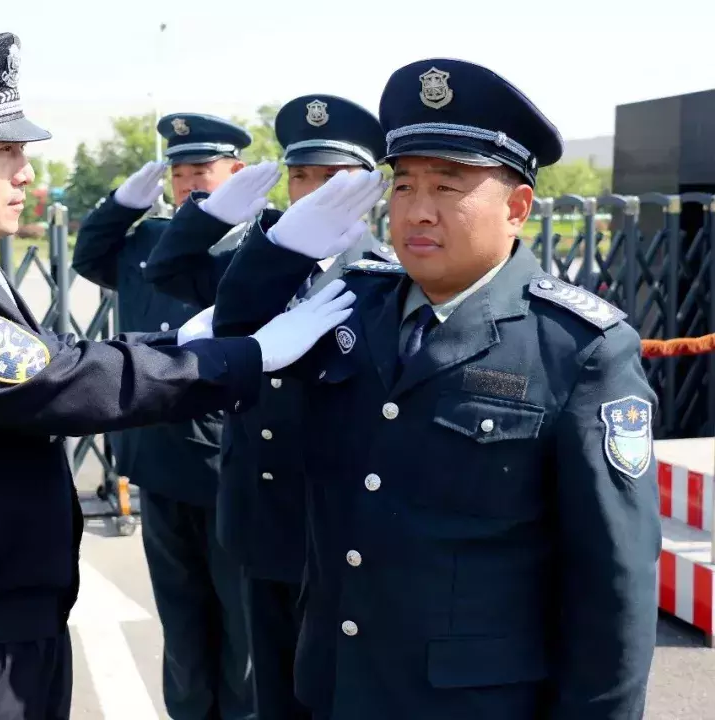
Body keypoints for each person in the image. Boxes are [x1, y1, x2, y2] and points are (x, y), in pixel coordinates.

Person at [0, 32, 360, 720]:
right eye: (4, 153)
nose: (26, 172)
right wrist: (247, 357)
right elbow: (58, 380)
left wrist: (182, 338)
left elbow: (54, 355)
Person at [211, 58, 661, 719]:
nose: (418, 211)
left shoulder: (579, 348)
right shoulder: (351, 308)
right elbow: (241, 340)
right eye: (403, 186)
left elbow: (613, 586)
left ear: (516, 207)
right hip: (335, 686)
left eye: (448, 187)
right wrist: (281, 246)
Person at [141, 95, 389, 720]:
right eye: (302, 176)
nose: (312, 192)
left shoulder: (384, 277)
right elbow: (169, 268)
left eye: (334, 179)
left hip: (335, 529)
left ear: (368, 188)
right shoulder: (258, 265)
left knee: (333, 691)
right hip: (258, 518)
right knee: (267, 692)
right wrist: (210, 213)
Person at [70, 113, 258, 720]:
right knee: (181, 622)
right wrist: (121, 205)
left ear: (237, 173)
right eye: (179, 174)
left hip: (231, 466)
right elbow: (90, 254)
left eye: (202, 171)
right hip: (158, 458)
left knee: (243, 627)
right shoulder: (148, 243)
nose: (190, 186)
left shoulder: (261, 245)